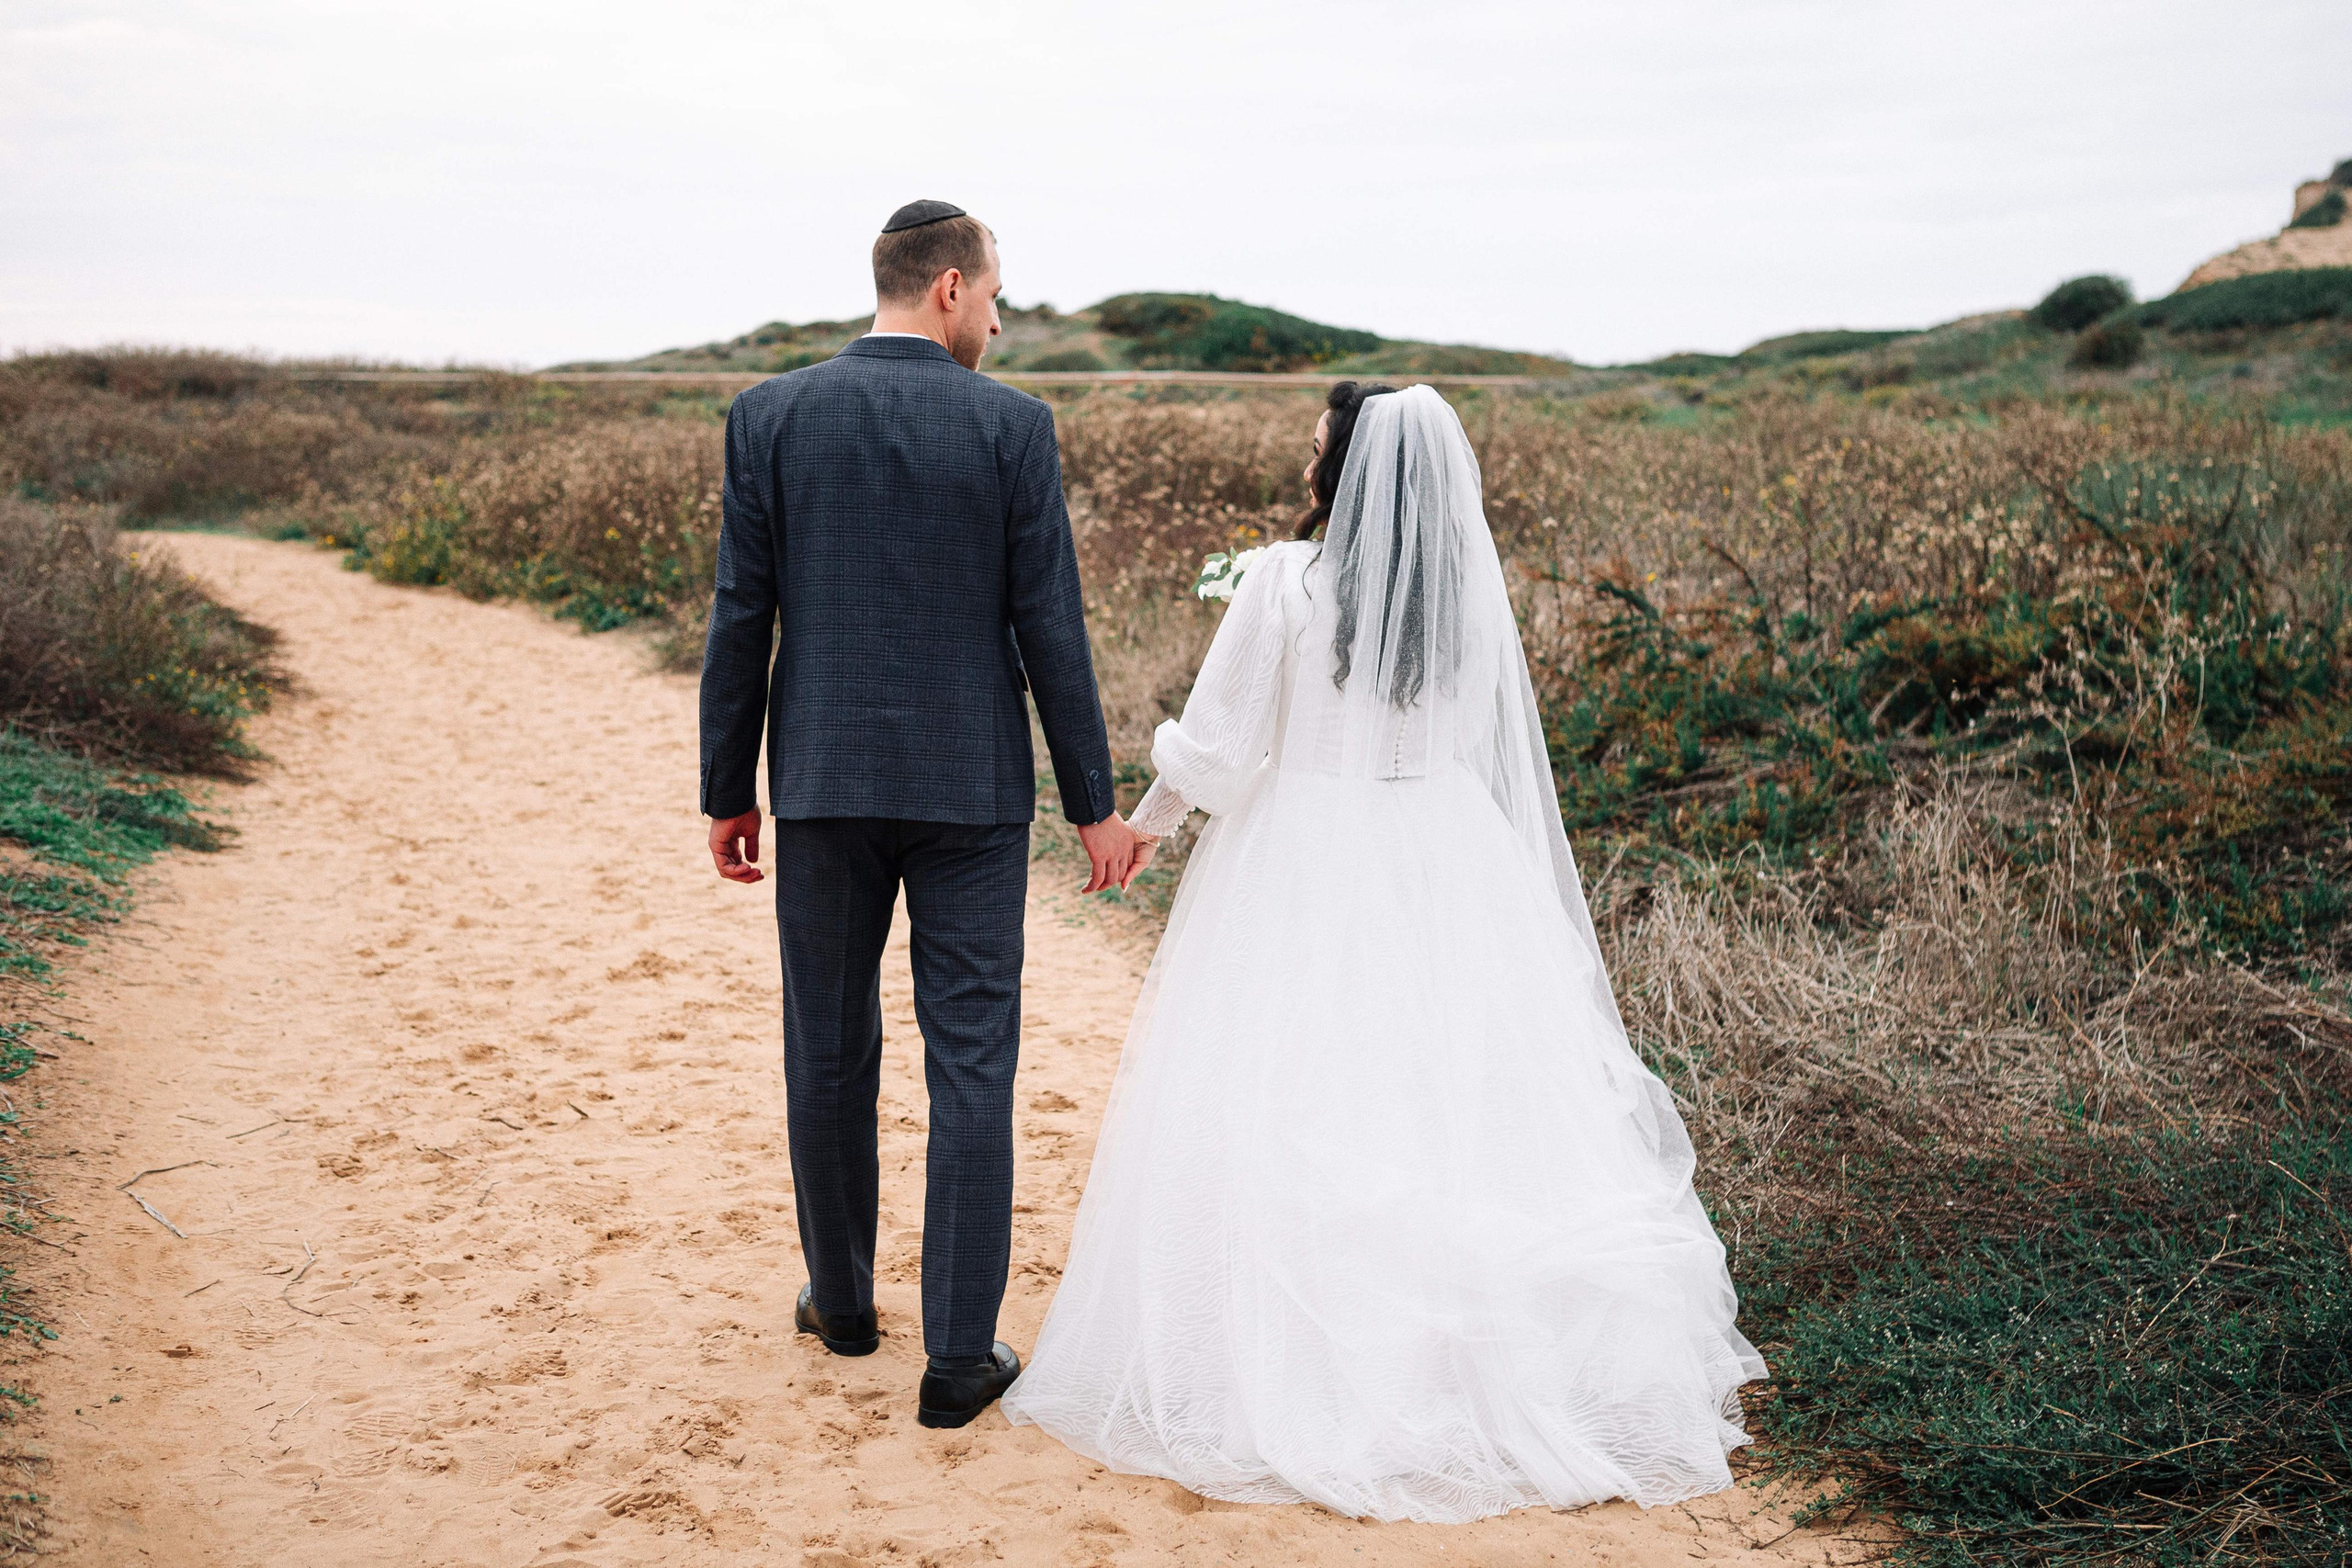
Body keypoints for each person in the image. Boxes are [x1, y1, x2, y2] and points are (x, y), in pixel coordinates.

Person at [1000, 382, 1767, 1520]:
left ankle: (1314, 1354)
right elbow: (1467, 733)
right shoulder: (1464, 594)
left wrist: (1139, 834)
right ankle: (1469, 1353)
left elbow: (1216, 742)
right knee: (1451, 1094)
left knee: (1297, 1090)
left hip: (1306, 849)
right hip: (1445, 848)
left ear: (1347, 473)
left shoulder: (1286, 582)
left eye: (1319, 449)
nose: (1309, 464)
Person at [697, 199, 1144, 1430]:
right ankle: (958, 1354)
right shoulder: (1010, 424)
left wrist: (728, 787)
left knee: (826, 1044)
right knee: (973, 1058)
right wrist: (1093, 804)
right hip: (971, 794)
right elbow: (1050, 623)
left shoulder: (771, 415)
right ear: (949, 287)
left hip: (826, 785)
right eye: (995, 294)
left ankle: (842, 1303)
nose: (999, 318)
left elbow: (745, 617)